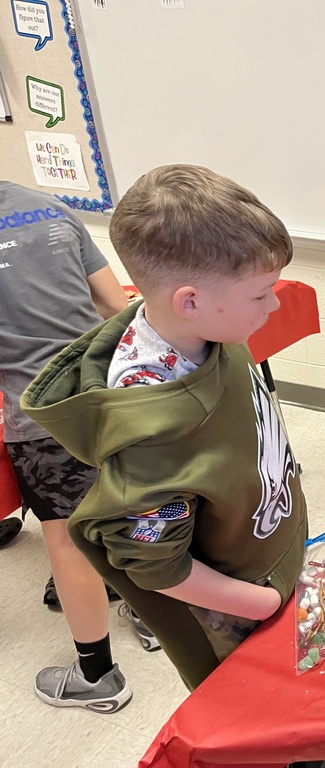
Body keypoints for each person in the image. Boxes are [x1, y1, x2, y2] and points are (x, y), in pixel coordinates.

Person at [21, 165, 309, 694]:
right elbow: (155, 565)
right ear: (190, 301)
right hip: (241, 613)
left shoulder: (211, 330)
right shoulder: (150, 433)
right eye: (262, 294)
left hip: (269, 555)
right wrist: (265, 602)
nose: (274, 304)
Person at [0, 180, 135, 712]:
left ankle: (97, 676)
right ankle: (150, 616)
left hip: (39, 412)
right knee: (130, 503)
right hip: (104, 395)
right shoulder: (48, 206)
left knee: (66, 537)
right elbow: (113, 304)